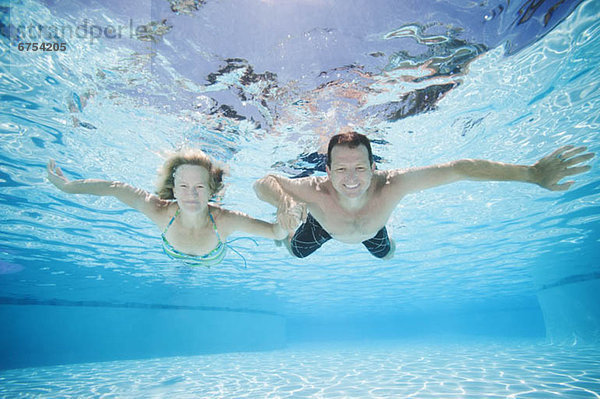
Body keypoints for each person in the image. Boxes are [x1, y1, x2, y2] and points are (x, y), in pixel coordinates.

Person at [254, 131, 594, 260]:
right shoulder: (314, 190)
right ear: (327, 172)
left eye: (359, 167)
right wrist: (284, 203)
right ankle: (281, 229)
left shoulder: (393, 184)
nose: (351, 178)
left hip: (373, 229)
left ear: (374, 165)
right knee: (292, 250)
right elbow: (263, 181)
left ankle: (384, 231)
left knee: (387, 257)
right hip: (324, 224)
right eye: (340, 170)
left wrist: (532, 174)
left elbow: (460, 168)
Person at [47, 149, 288, 267]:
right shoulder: (160, 211)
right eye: (183, 186)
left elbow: (276, 232)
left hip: (211, 260)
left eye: (200, 187)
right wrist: (68, 187)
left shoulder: (225, 219)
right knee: (182, 271)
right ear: (172, 189)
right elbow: (114, 187)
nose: (191, 195)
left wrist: (288, 218)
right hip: (178, 254)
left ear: (211, 191)